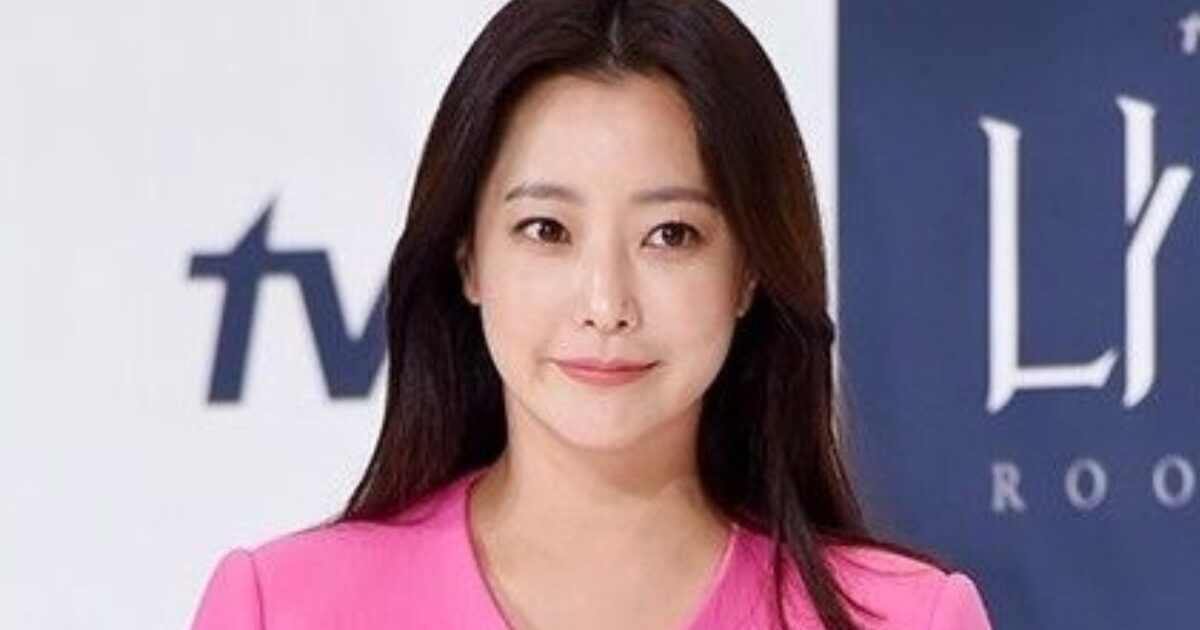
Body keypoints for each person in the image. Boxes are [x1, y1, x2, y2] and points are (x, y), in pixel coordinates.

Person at [189, 0, 994, 628]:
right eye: (547, 230)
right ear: (468, 256)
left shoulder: (907, 620)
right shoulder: (280, 608)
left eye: (670, 235)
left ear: (749, 270)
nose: (606, 304)